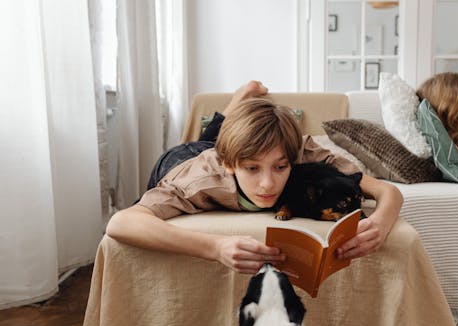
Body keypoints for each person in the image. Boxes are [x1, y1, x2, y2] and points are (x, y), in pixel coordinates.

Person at [106, 81, 403, 274]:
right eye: (252, 169)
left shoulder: (302, 151)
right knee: (204, 143)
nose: (268, 184)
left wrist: (381, 222)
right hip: (181, 159)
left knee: (227, 144)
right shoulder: (197, 181)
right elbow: (121, 223)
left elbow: (387, 191)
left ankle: (235, 118)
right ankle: (234, 107)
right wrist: (215, 247)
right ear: (232, 165)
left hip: (229, 152)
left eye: (280, 167)